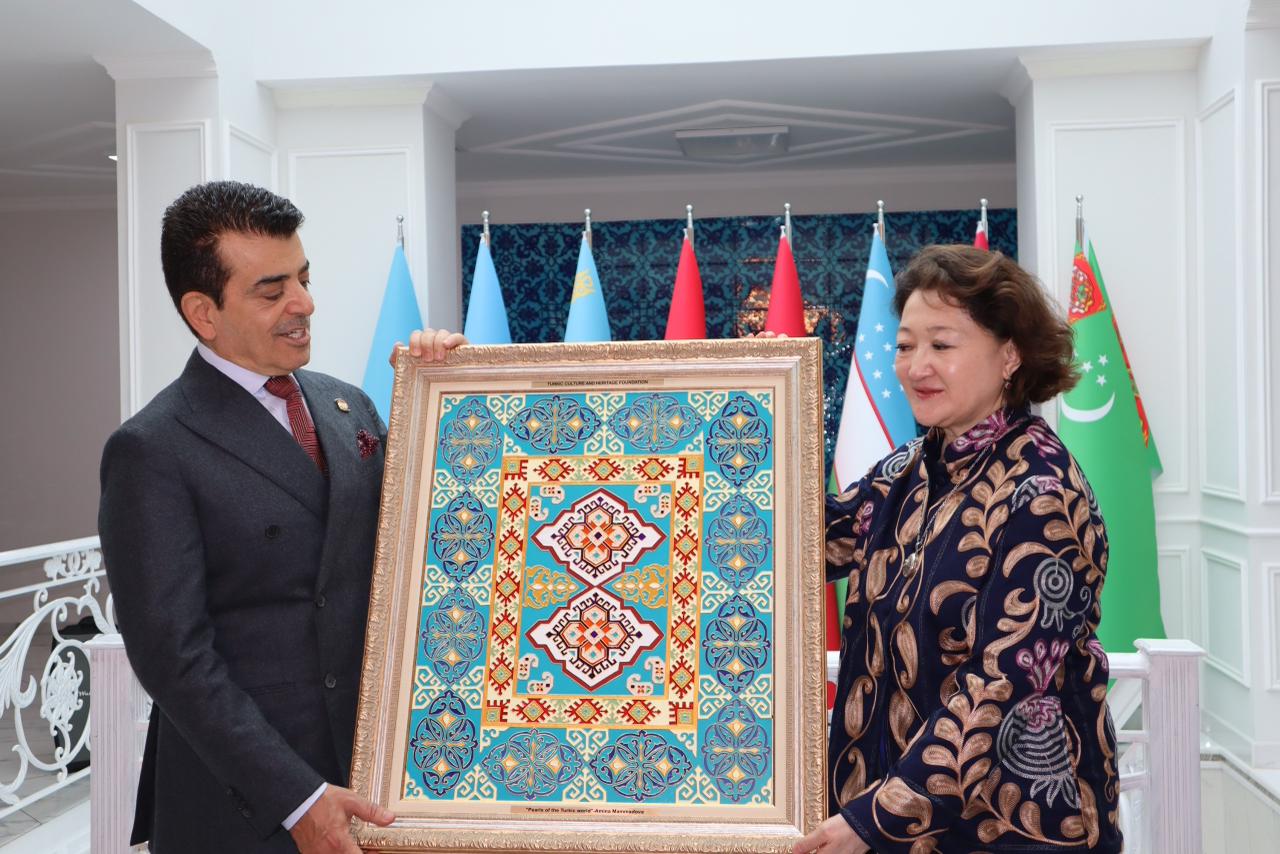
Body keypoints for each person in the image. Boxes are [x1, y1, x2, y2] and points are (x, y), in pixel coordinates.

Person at [98, 180, 464, 854]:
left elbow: (428, 544)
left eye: (303, 278)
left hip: (377, 778)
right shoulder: (152, 448)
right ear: (204, 313)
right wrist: (297, 798)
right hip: (248, 805)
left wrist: (451, 395)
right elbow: (173, 657)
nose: (304, 304)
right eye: (272, 292)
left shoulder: (350, 405)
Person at [795, 245, 1123, 853]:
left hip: (1010, 828)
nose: (915, 366)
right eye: (904, 346)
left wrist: (876, 819)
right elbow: (797, 547)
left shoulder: (1041, 494)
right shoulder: (906, 472)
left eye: (941, 345)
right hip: (883, 816)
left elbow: (1003, 685)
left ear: (1009, 355)